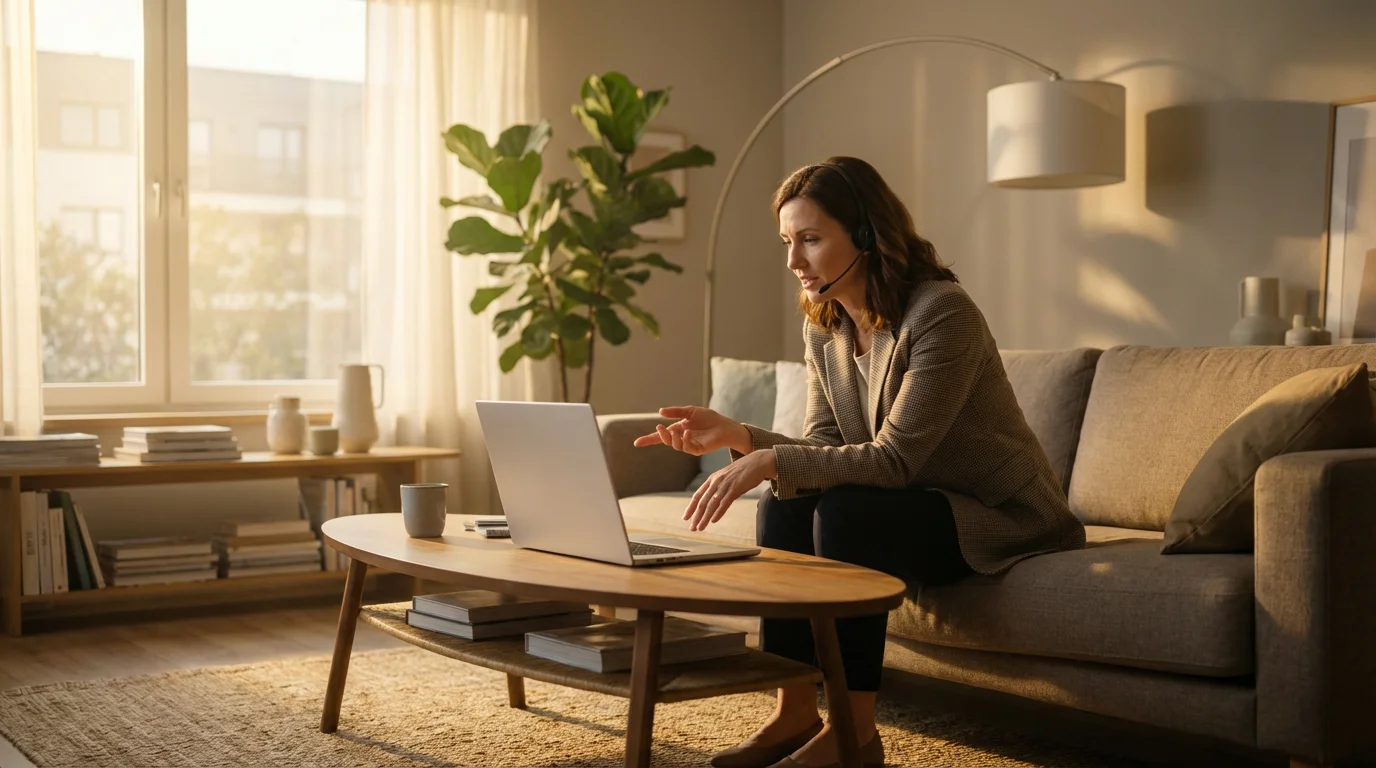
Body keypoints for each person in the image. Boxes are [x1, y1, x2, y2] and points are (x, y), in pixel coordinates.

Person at [633, 157, 1086, 768]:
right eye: (788, 242)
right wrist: (740, 434)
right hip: (911, 501)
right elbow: (821, 447)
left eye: (811, 240)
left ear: (868, 236)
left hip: (996, 511)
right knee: (785, 499)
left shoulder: (941, 314)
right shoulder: (827, 327)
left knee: (848, 513)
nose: (794, 261)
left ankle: (854, 736)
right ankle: (795, 712)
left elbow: (895, 460)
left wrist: (767, 457)